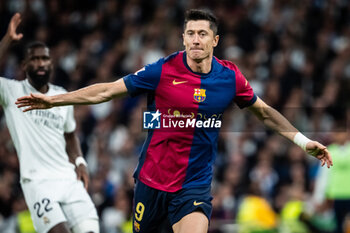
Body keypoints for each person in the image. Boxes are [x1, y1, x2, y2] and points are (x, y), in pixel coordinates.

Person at [16, 9, 333, 233]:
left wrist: (303, 141)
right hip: (151, 183)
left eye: (203, 34)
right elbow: (106, 91)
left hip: (193, 185)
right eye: (191, 33)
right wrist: (53, 100)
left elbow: (264, 112)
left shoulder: (230, 78)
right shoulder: (162, 71)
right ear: (183, 38)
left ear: (215, 40)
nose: (196, 39)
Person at [0, 13, 99, 233]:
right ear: (25, 64)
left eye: (44, 58)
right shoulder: (12, 91)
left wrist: (80, 161)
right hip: (38, 183)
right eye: (34, 59)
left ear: (51, 63)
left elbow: (70, 134)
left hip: (68, 178)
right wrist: (7, 40)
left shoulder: (62, 96)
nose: (40, 63)